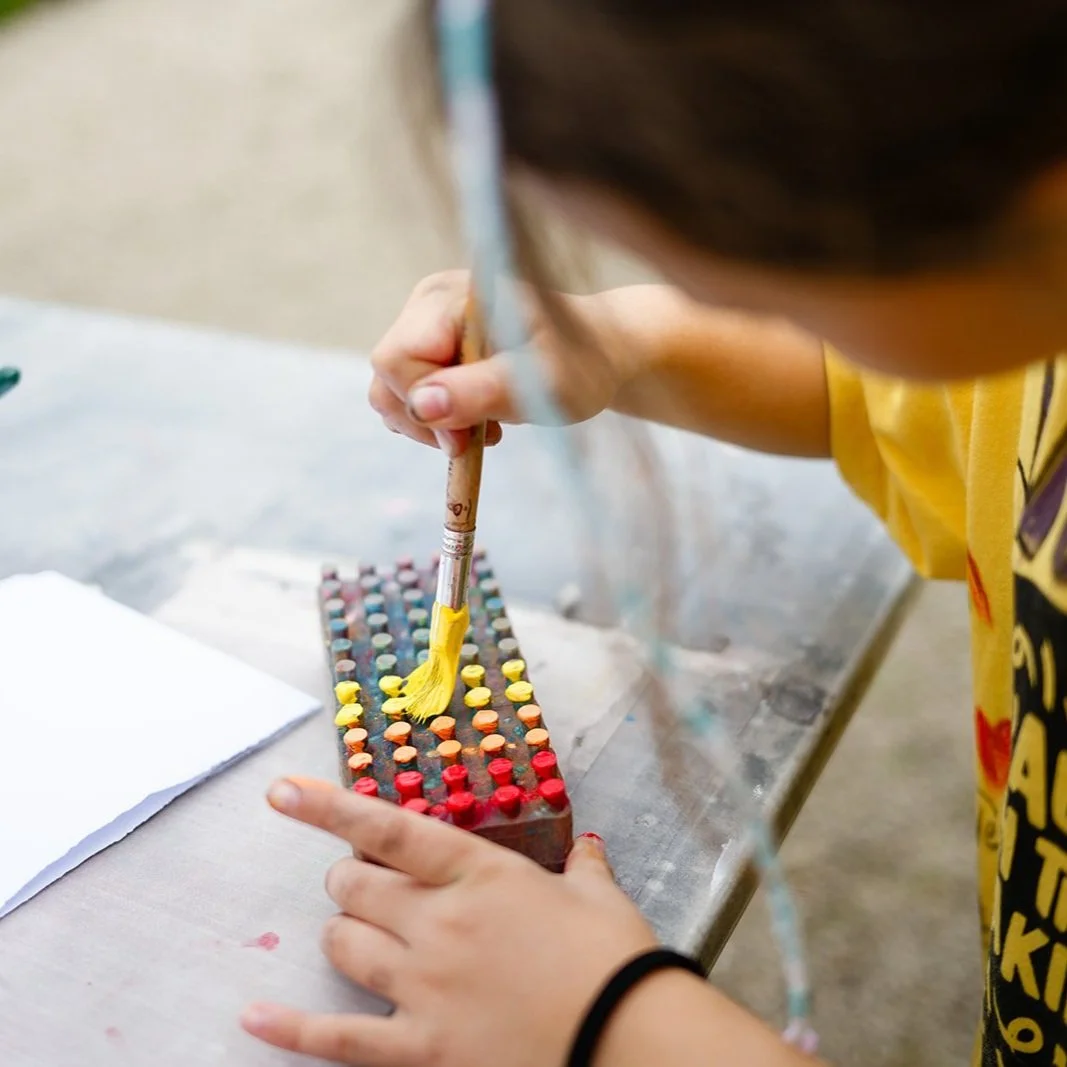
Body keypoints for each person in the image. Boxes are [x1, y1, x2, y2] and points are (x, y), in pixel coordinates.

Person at [242, 2, 1067, 1064]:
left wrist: (618, 1024)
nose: (740, 304)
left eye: (767, 275)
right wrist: (625, 339)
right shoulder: (1019, 307)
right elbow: (886, 382)